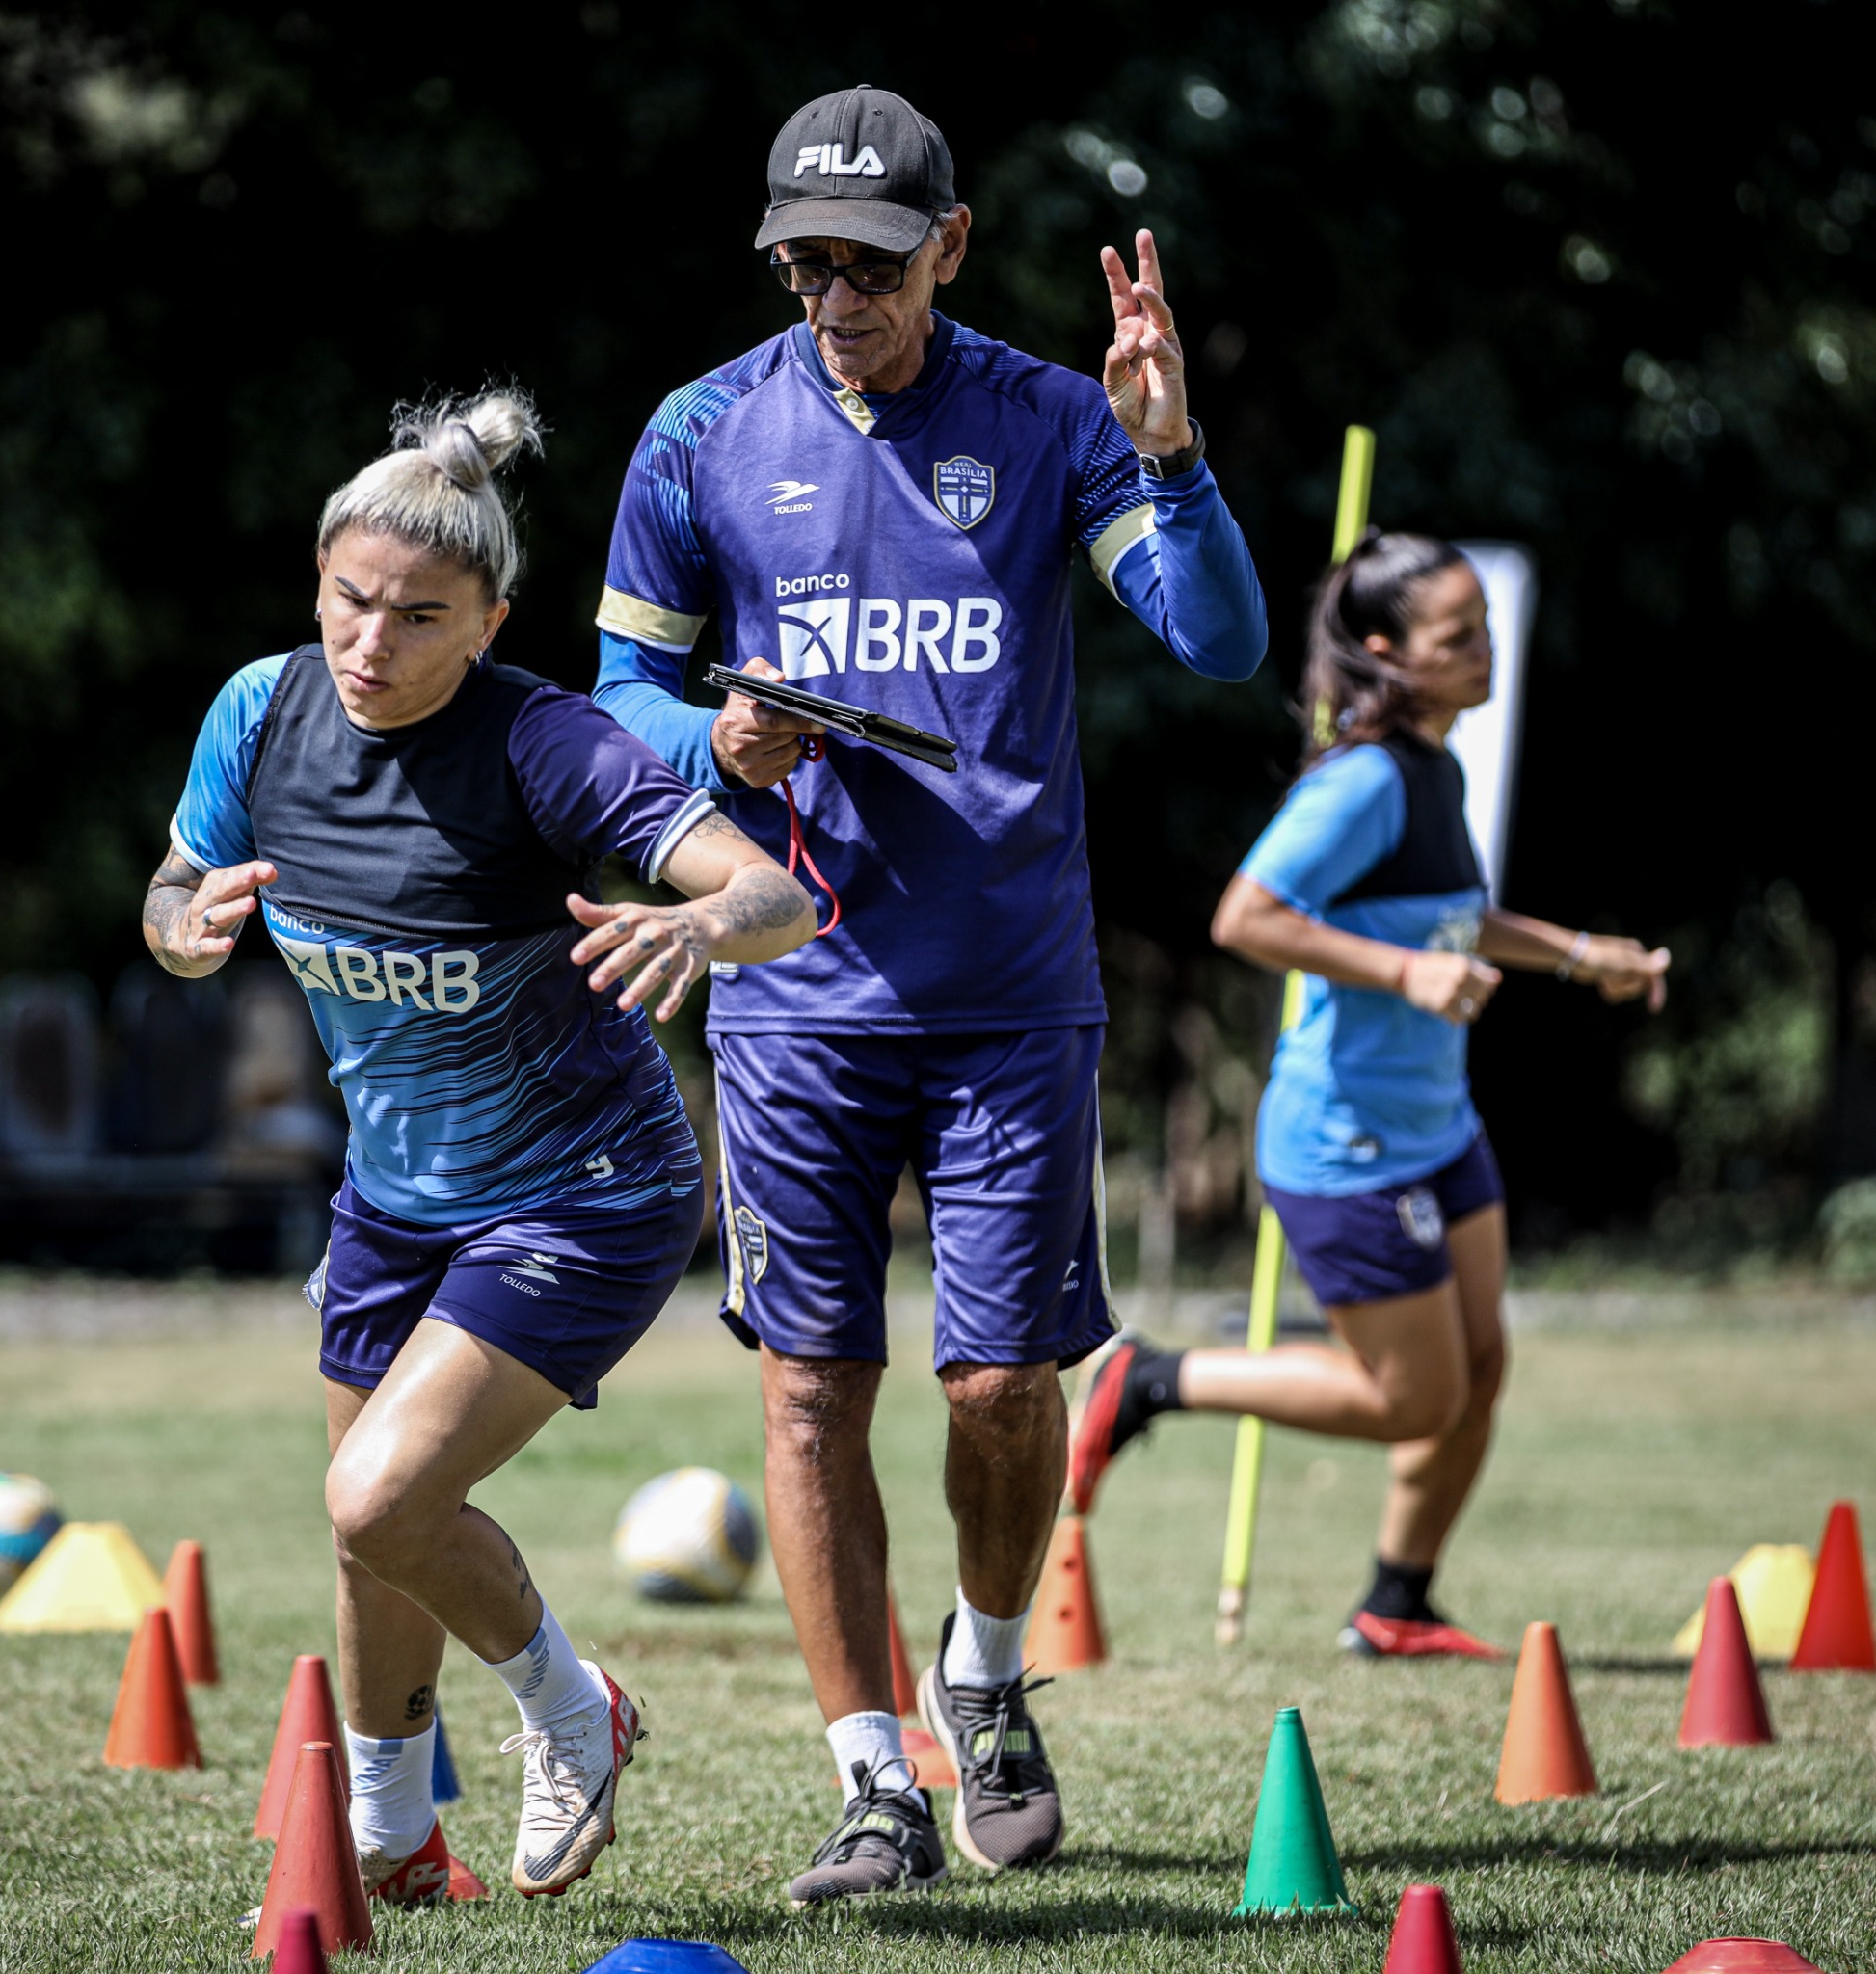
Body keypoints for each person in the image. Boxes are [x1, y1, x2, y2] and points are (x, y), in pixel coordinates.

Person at [590, 86, 1269, 1903]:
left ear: (948, 247)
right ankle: (868, 1777)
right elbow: (612, 707)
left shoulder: (1051, 420)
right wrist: (716, 731)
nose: (835, 298)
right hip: (794, 995)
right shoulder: (699, 432)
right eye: (804, 265)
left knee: (993, 1383)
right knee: (810, 1395)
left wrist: (1176, 460)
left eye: (870, 264)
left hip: (1007, 998)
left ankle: (983, 1669)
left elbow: (1218, 640)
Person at [143, 389, 815, 1902]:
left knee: (379, 1498)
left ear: (491, 618)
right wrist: (187, 936)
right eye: (350, 602)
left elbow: (774, 896)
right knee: (373, 1527)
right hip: (396, 1194)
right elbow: (169, 891)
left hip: (589, 1188)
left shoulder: (544, 742)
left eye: (419, 617)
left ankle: (578, 1714)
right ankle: (387, 1832)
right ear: (318, 578)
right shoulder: (258, 711)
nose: (371, 646)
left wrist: (697, 922)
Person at [1067, 529, 1670, 1657]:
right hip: (1348, 1144)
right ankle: (1150, 1378)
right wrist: (1405, 971)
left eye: (1485, 627)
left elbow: (1451, 915)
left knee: (1479, 1369)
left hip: (1439, 1125)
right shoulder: (1363, 781)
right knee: (1414, 1399)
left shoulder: (1435, 768)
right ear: (1388, 651)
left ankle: (1396, 1603)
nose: (1485, 651)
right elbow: (1245, 915)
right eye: (1459, 637)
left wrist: (1586, 954)